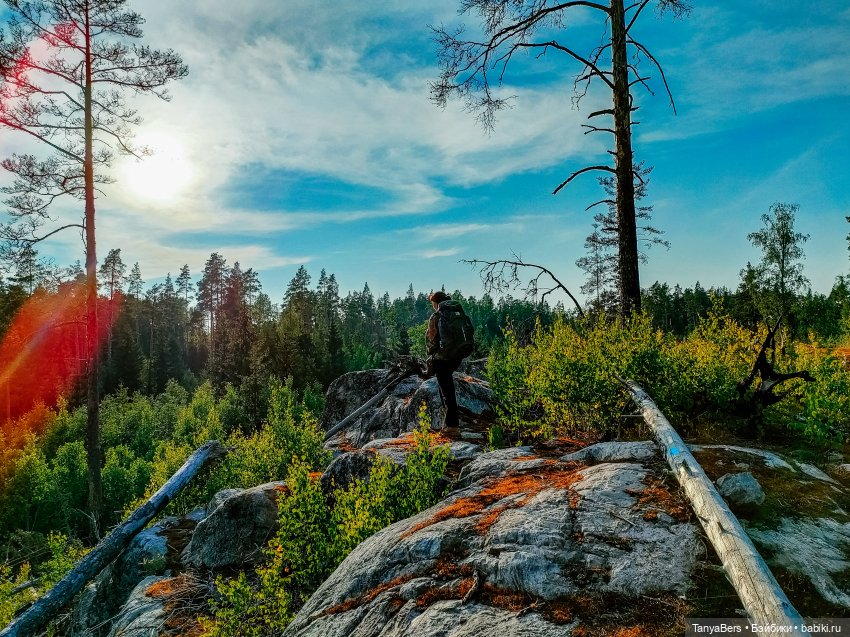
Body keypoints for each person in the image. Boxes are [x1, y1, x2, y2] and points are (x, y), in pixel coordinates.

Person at [426, 290, 473, 429]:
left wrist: (431, 353)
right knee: (448, 388)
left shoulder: (437, 316)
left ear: (435, 302)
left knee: (447, 391)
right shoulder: (459, 313)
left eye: (432, 303)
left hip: (443, 358)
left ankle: (452, 426)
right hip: (457, 355)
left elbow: (432, 338)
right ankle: (450, 423)